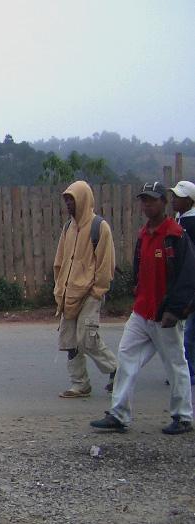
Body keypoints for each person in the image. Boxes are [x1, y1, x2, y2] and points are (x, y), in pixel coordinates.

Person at [90, 182, 195, 435]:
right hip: (141, 312)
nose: (147, 205)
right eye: (144, 200)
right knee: (126, 358)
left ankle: (183, 417)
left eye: (152, 200)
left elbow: (187, 276)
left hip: (164, 315)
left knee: (175, 364)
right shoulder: (144, 233)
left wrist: (175, 309)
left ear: (164, 202)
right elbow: (140, 269)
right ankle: (118, 414)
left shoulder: (175, 235)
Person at [53, 180, 118, 398]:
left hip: (90, 292)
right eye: (66, 200)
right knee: (70, 340)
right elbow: (60, 260)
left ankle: (116, 369)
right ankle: (80, 384)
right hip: (68, 293)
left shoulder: (100, 227)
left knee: (87, 338)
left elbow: (105, 264)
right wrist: (59, 286)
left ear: (83, 199)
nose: (68, 204)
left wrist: (98, 291)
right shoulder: (67, 228)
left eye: (72, 199)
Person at [170, 180, 195, 385]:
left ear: (190, 201)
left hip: (190, 287)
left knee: (188, 334)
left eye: (178, 197)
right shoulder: (180, 220)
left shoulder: (190, 225)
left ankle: (189, 373)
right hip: (182, 286)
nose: (173, 200)